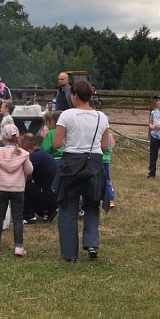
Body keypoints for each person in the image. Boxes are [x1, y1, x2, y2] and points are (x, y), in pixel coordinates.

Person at [52, 80, 110, 262]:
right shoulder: (102, 117)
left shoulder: (67, 115)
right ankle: (92, 243)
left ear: (75, 95)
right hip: (94, 163)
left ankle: (69, 254)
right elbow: (105, 145)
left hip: (72, 165)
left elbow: (57, 143)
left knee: (69, 208)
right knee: (92, 205)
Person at [0, 124, 32, 256]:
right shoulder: (23, 154)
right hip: (18, 188)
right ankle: (18, 247)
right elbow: (29, 170)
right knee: (18, 218)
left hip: (1, 187)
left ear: (2, 137)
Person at [21, 133, 59, 223]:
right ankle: (46, 212)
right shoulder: (41, 154)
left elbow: (21, 174)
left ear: (25, 145)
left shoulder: (35, 157)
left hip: (50, 196)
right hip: (55, 195)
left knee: (22, 184)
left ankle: (28, 215)